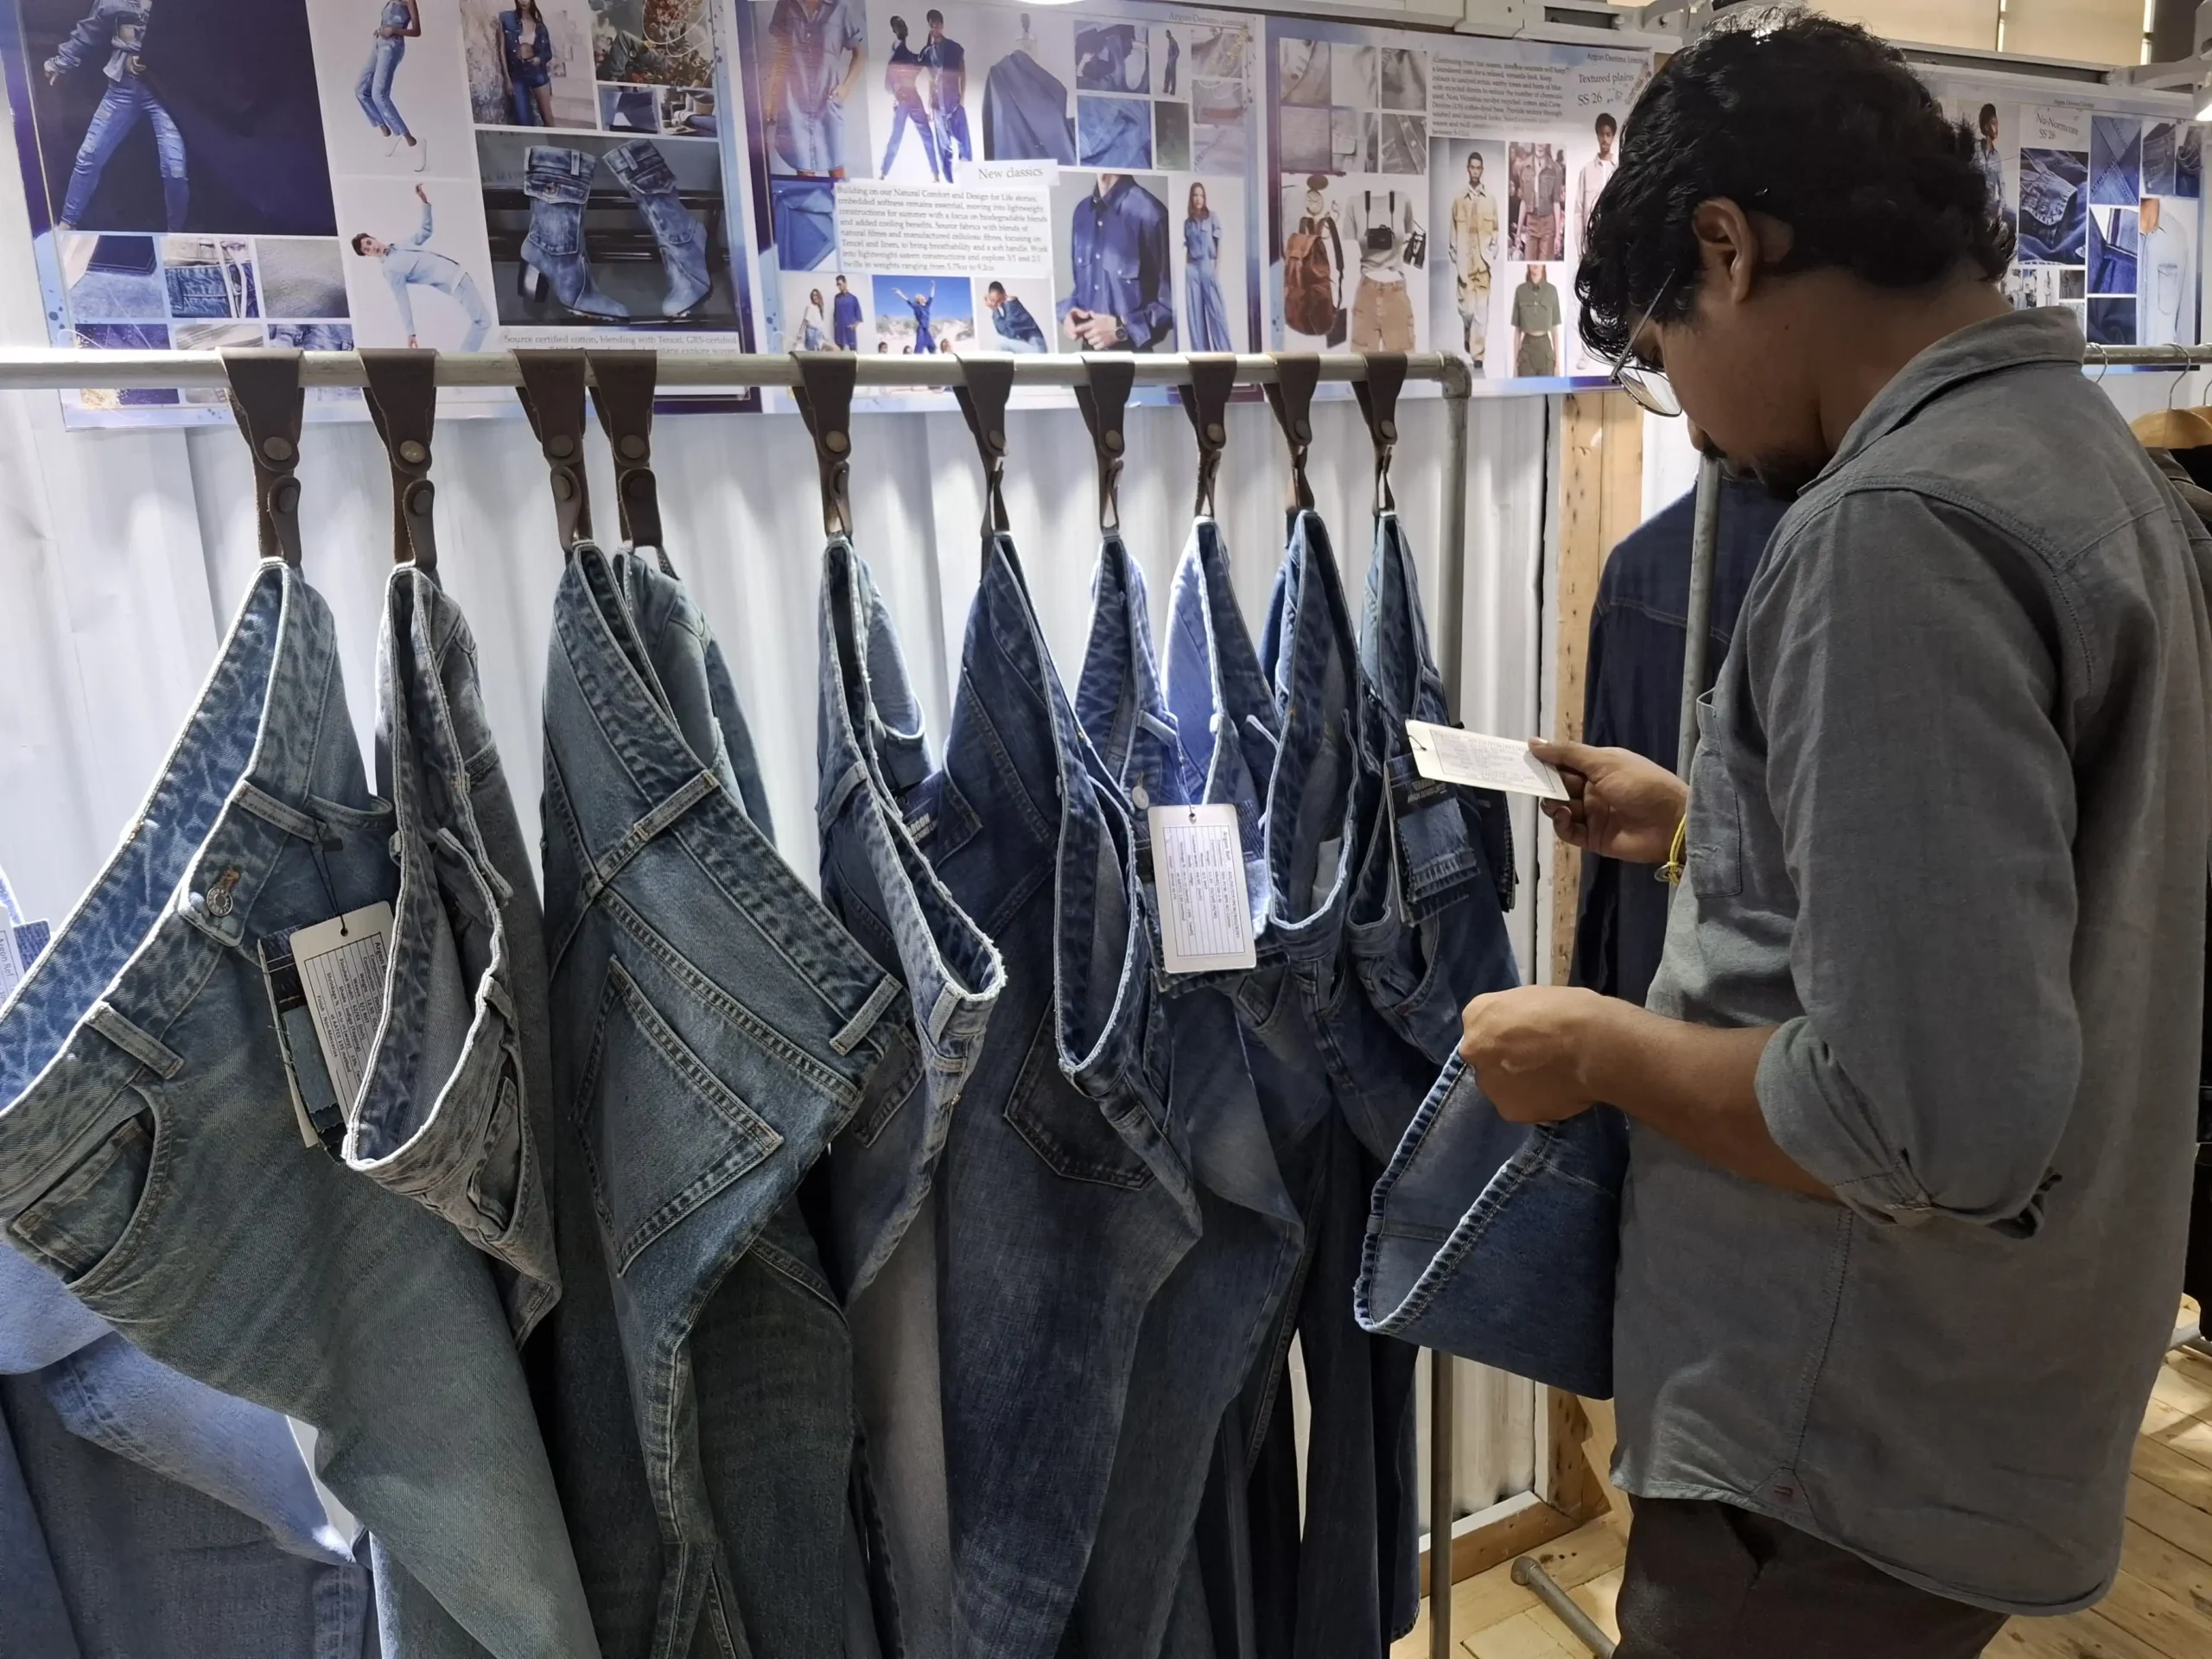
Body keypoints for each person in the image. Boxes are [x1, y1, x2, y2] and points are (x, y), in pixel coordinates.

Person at [1462, 16, 2212, 1656]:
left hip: (1827, 1447)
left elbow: (1918, 1118)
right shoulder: (2082, 461)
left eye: (1667, 350)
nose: (1700, 426)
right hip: (1966, 1389)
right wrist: (1699, 835)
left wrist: (1597, 1046)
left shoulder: (1898, 528)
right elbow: (2022, 912)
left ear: (1729, 248)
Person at [46, 0, 188, 232]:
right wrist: (63, 61)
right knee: (89, 154)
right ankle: (67, 223)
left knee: (175, 169)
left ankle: (177, 234)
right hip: (123, 87)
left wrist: (155, 59)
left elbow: (193, 34)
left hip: (165, 91)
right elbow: (91, 27)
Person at [353, 183, 491, 350]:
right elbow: (401, 299)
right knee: (482, 321)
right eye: (367, 250)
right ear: (368, 255)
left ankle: (464, 361)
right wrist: (410, 332)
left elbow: (425, 232)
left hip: (459, 273)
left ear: (373, 238)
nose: (372, 247)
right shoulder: (390, 269)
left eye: (369, 243)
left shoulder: (399, 245)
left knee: (481, 320)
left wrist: (424, 202)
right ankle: (464, 361)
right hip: (454, 281)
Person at [1062, 172, 1171, 350]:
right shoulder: (1082, 213)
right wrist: (1070, 313)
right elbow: (1082, 290)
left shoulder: (1151, 213)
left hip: (1135, 366)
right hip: (1088, 359)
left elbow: (1170, 304)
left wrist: (1123, 328)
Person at [765, 0, 863, 178]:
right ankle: (810, 206)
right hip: (793, 97)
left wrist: (846, 87)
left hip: (827, 96)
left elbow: (860, 55)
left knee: (836, 165)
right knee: (803, 168)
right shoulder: (786, 4)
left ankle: (839, 206)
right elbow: (781, 53)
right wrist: (771, 97)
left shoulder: (841, 7)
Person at [1346, 184, 1419, 352]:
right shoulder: (1354, 203)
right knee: (1361, 364)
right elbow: (1349, 250)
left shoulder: (1403, 200)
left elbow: (1410, 232)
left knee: (1403, 362)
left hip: (1396, 288)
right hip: (1366, 290)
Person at [356, 0, 423, 169]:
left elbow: (417, 31)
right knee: (360, 90)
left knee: (379, 94)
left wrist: (393, 30)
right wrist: (381, 30)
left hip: (392, 47)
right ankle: (385, 129)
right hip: (378, 43)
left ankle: (411, 141)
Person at [1450, 149, 1500, 366]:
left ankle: (1478, 356)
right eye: (1472, 167)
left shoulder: (1490, 200)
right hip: (1465, 264)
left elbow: (1496, 229)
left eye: (1479, 167)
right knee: (1467, 311)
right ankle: (1467, 332)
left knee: (1481, 312)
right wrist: (1455, 256)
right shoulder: (1459, 200)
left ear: (1482, 170)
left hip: (1483, 265)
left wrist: (1491, 255)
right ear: (1468, 169)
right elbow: (1452, 231)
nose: (1475, 171)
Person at [881, 15, 937, 180]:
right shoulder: (897, 49)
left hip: (913, 97)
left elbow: (922, 58)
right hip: (903, 98)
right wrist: (897, 92)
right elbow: (890, 75)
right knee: (897, 136)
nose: (902, 29)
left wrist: (929, 35)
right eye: (899, 27)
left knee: (927, 134)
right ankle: (884, 172)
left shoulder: (910, 56)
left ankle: (936, 173)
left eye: (903, 25)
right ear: (895, 31)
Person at [1182, 181, 1231, 351]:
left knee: (1217, 313)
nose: (1198, 199)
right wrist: (1187, 268)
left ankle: (1224, 353)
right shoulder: (1187, 223)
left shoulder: (1212, 217)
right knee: (1195, 315)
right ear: (1191, 198)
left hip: (1208, 266)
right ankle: (1200, 355)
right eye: (1195, 195)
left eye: (1201, 195)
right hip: (1192, 269)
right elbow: (1187, 249)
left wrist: (1216, 269)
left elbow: (1219, 245)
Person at [920, 10, 969, 177]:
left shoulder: (955, 48)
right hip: (937, 104)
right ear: (929, 27)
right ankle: (948, 180)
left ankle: (968, 177)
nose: (935, 28)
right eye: (932, 26)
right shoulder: (927, 52)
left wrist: (961, 99)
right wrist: (929, 107)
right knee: (943, 145)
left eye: (937, 25)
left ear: (942, 25)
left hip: (954, 102)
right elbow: (930, 80)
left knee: (963, 142)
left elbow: (962, 73)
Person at [498, 0, 556, 128]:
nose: (523, 1)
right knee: (524, 121)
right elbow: (502, 50)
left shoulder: (539, 26)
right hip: (518, 74)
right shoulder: (506, 19)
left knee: (548, 119)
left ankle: (557, 146)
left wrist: (539, 59)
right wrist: (507, 79)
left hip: (537, 72)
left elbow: (548, 52)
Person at [1510, 262, 1560, 376]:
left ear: (1544, 265)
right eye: (1532, 261)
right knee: (1527, 392)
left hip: (1545, 349)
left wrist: (1557, 365)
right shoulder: (1520, 291)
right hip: (1527, 351)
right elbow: (1517, 331)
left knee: (1548, 392)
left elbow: (1555, 330)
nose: (1535, 264)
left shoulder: (1552, 291)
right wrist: (1514, 366)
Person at [1575, 111, 1616, 245]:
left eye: (1608, 135)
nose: (1605, 139)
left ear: (1613, 136)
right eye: (1601, 134)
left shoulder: (1619, 170)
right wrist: (1581, 247)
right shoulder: (1586, 171)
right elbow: (1578, 211)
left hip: (1613, 238)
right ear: (1597, 136)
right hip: (1592, 239)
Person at [983, 280, 1044, 351]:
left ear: (1003, 292)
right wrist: (994, 308)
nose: (998, 304)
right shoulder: (1007, 307)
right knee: (1002, 347)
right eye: (994, 301)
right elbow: (1003, 331)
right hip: (1028, 344)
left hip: (1036, 346)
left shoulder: (1013, 306)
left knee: (1001, 347)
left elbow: (1010, 333)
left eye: (999, 299)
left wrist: (995, 309)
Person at [890, 279, 936, 352]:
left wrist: (933, 286)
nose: (925, 298)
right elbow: (908, 301)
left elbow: (931, 296)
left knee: (932, 346)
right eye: (923, 298)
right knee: (920, 346)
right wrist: (899, 293)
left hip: (926, 329)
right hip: (921, 329)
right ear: (920, 300)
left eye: (924, 298)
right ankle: (917, 359)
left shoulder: (927, 306)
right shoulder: (917, 306)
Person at [791, 285, 828, 349]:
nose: (815, 297)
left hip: (818, 336)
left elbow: (821, 325)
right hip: (812, 336)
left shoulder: (819, 309)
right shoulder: (810, 307)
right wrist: (799, 335)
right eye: (813, 295)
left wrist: (825, 337)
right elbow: (805, 321)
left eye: (816, 295)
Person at [832, 271, 861, 349]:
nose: (839, 287)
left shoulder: (853, 298)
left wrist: (854, 326)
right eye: (837, 285)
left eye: (840, 284)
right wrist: (836, 324)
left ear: (845, 283)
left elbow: (858, 315)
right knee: (838, 351)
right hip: (839, 330)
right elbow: (835, 314)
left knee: (853, 351)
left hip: (849, 330)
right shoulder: (837, 298)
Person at [1163, 28, 1178, 96]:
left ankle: (1173, 91)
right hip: (1169, 62)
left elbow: (1177, 52)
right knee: (1167, 74)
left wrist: (1173, 59)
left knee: (1172, 76)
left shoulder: (1173, 42)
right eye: (1166, 34)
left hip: (1172, 62)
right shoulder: (1170, 41)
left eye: (1167, 34)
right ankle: (1166, 89)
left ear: (1169, 34)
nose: (1166, 35)